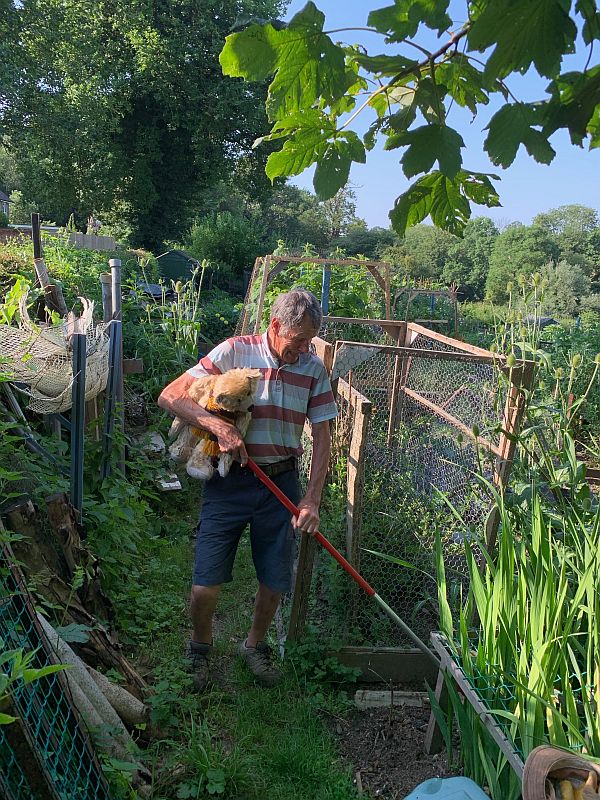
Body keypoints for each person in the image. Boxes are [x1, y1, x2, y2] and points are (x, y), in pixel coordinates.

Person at [158, 288, 337, 689]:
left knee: (274, 578)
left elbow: (323, 436)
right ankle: (199, 647)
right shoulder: (235, 351)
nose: (304, 350)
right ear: (275, 326)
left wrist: (311, 498)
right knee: (205, 583)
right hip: (230, 481)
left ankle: (254, 647)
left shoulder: (312, 369)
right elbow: (170, 395)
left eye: (309, 341)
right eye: (298, 341)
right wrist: (218, 426)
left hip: (281, 482)